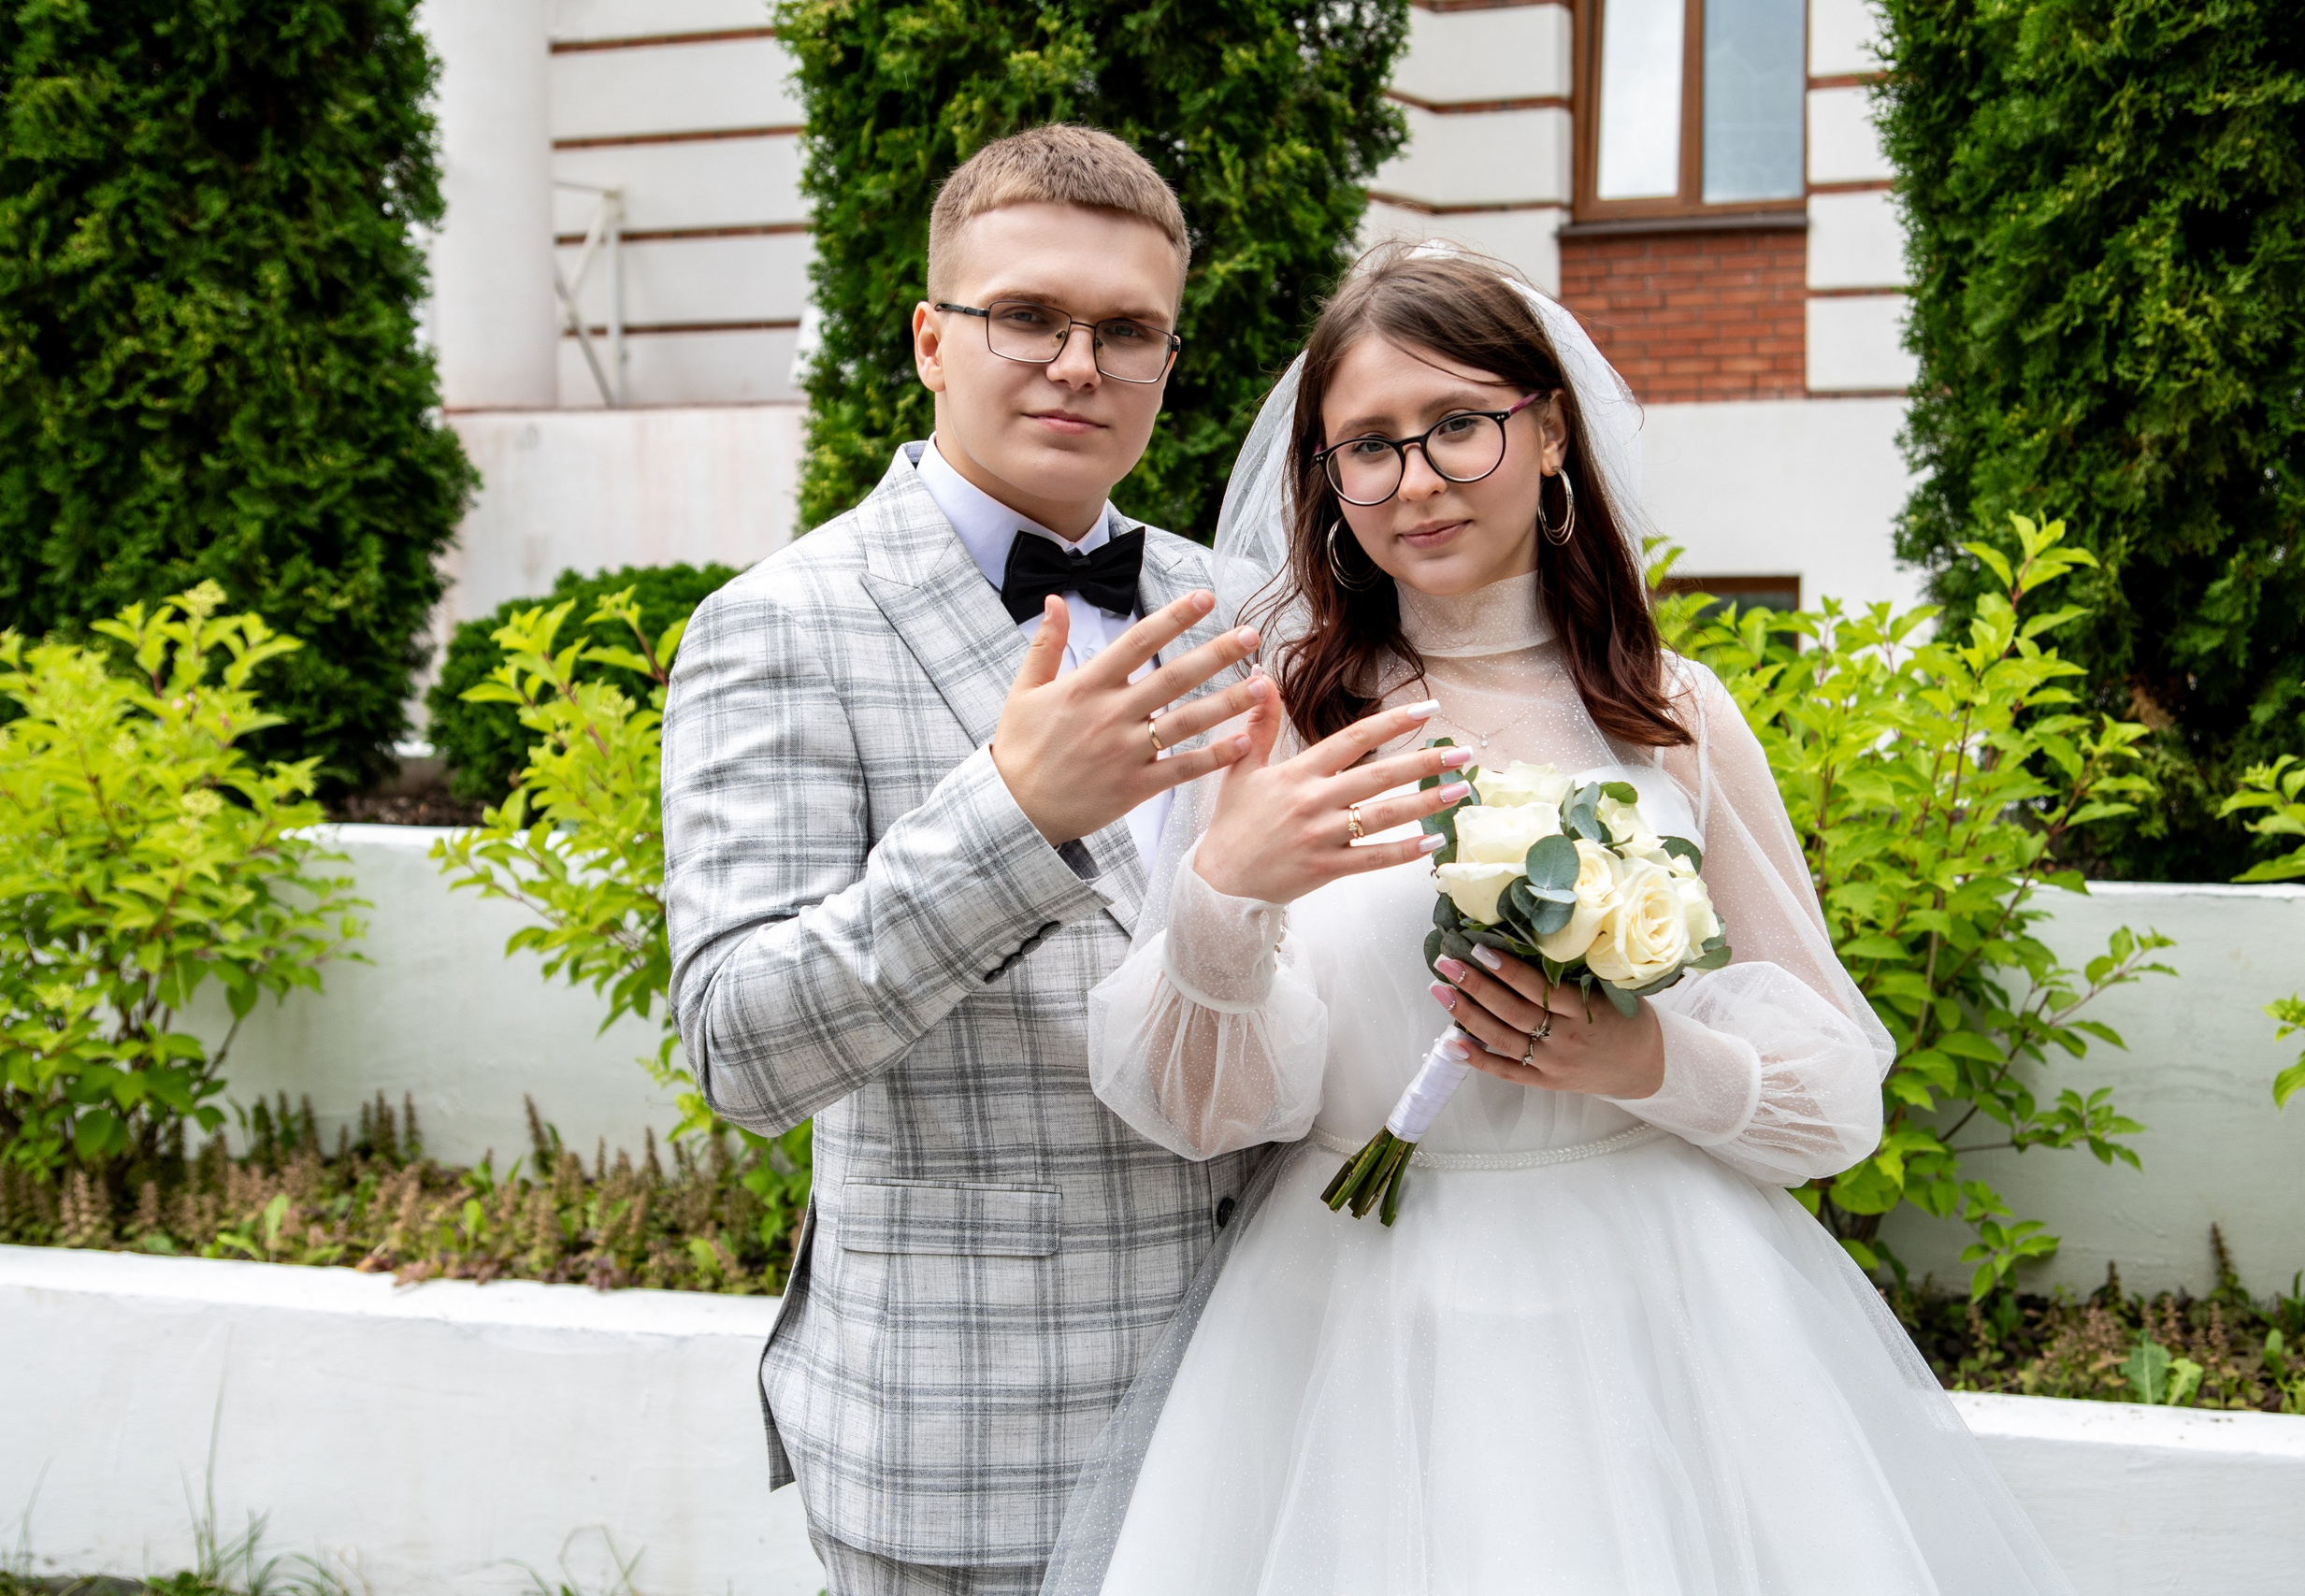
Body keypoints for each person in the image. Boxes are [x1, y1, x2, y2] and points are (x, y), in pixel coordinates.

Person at [1048, 247, 2077, 1595]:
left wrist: (1646, 1062)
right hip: (1351, 1319)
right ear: (1328, 482)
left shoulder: (1673, 714)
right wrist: (1225, 896)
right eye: (1366, 447)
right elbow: (1203, 1113)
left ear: (1545, 434)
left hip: (1667, 1312)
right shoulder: (1284, 721)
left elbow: (1834, 1100)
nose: (1414, 481)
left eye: (1457, 427)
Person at [659, 126, 1387, 1595]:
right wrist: (1014, 812)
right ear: (933, 338)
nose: (1078, 363)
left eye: (1128, 332)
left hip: (1270, 1398)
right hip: (969, 1448)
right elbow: (741, 1049)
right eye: (1029, 317)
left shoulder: (1245, 605)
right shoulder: (781, 624)